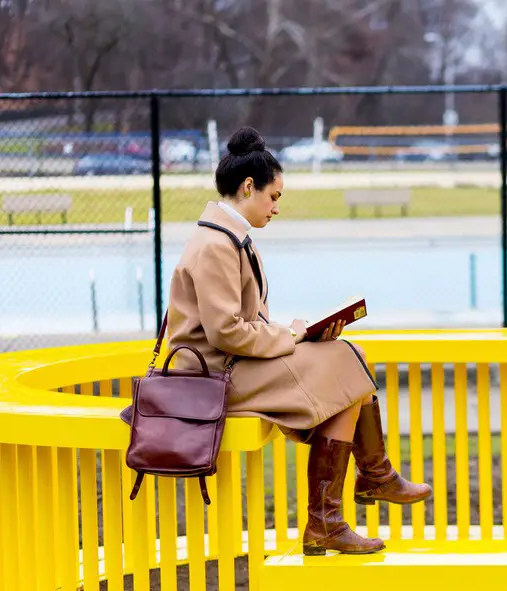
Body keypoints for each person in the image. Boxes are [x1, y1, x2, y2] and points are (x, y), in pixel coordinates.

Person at [166, 126, 430, 555]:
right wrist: (290, 337)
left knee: (348, 358)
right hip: (213, 380)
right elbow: (226, 332)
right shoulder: (217, 244)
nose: (276, 208)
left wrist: (298, 335)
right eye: (273, 197)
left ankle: (349, 501)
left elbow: (235, 327)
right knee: (348, 364)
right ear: (249, 187)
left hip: (229, 368)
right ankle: (358, 490)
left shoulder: (226, 237)